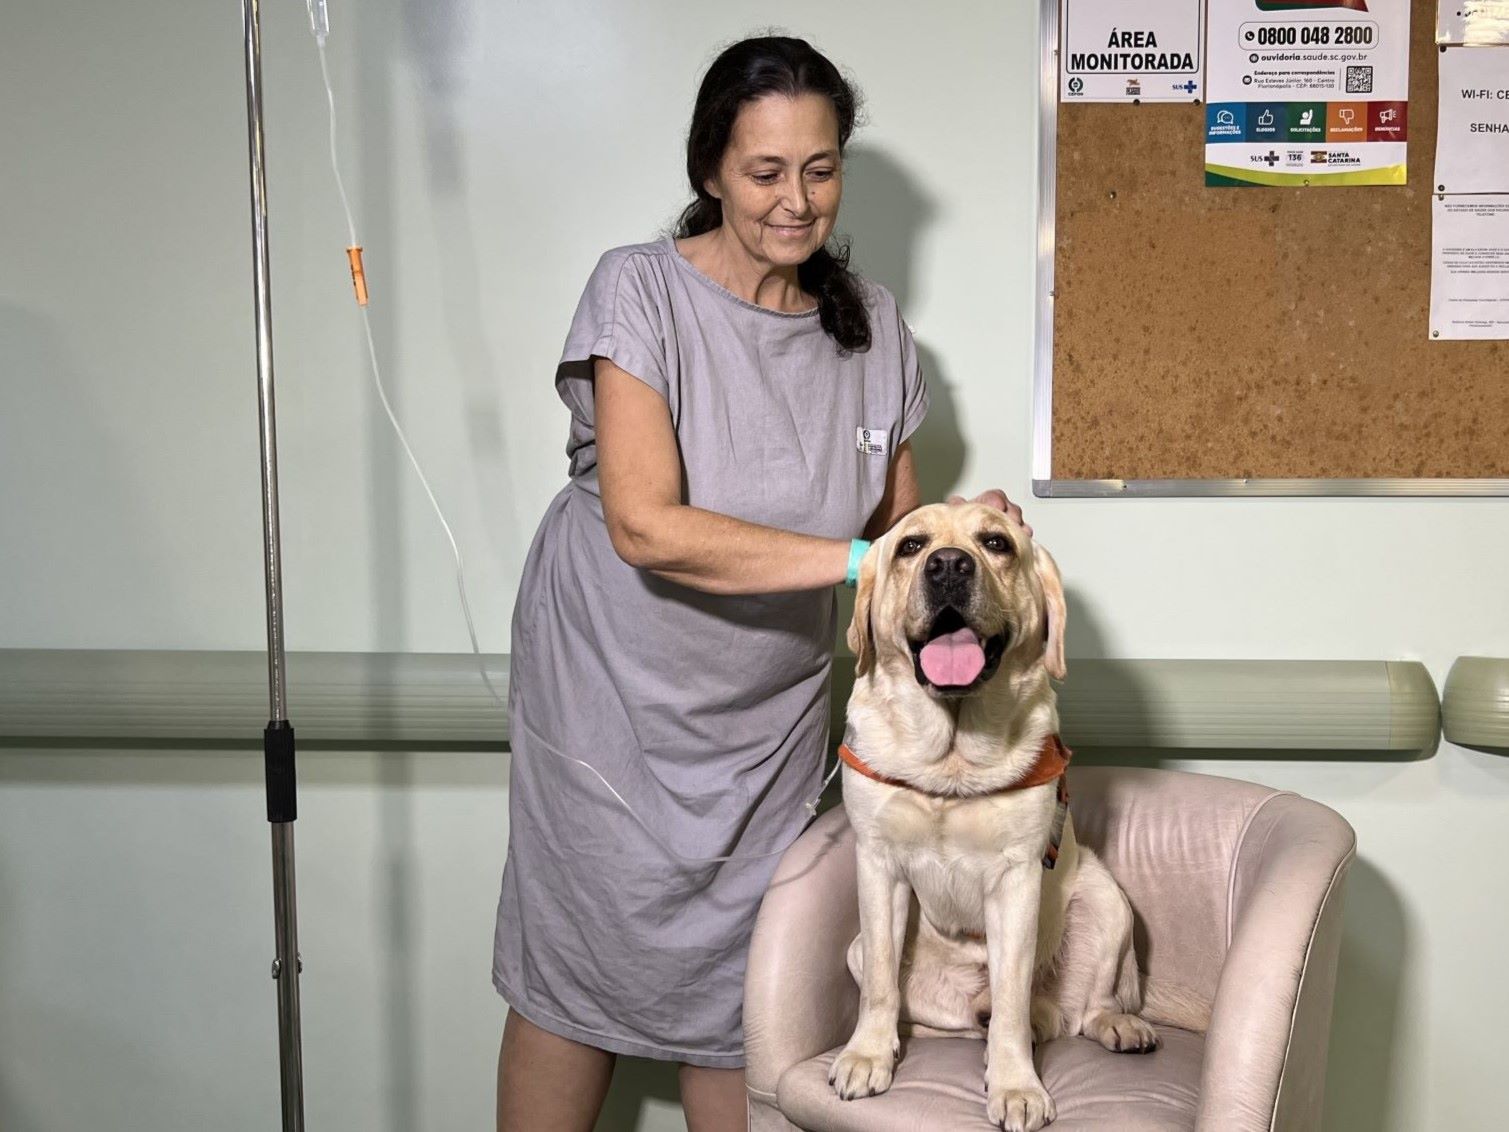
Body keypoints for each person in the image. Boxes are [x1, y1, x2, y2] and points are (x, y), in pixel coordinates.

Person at [493, 34, 1027, 1132]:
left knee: (746, 984)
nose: (796, 200)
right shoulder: (636, 291)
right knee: (578, 965)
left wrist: (969, 539)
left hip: (768, 716)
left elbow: (898, 530)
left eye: (820, 169)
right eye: (765, 171)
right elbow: (646, 524)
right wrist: (861, 563)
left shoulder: (873, 328)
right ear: (710, 172)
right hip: (611, 697)